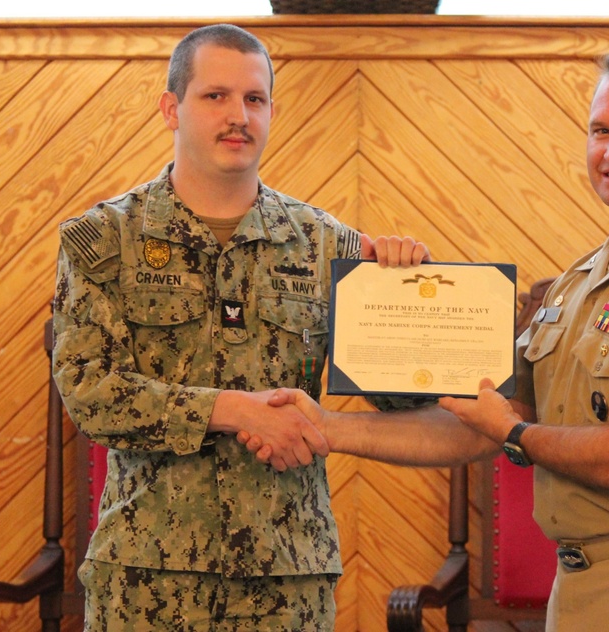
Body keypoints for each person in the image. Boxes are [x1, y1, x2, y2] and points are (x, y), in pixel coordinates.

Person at [254, 51, 609, 631]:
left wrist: (514, 433)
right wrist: (327, 426)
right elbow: (479, 420)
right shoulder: (582, 280)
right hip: (580, 587)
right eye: (601, 131)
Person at [51, 24, 429, 630]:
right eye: (216, 96)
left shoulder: (327, 246)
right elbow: (91, 396)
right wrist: (233, 409)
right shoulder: (105, 242)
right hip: (148, 581)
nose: (238, 117)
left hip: (287, 581)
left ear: (272, 111)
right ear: (171, 108)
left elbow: (404, 398)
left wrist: (412, 300)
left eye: (254, 100)